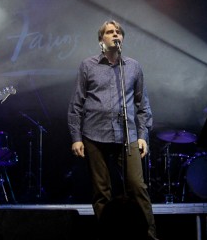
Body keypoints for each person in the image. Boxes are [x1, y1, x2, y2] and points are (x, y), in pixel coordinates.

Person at [68, 20, 159, 240]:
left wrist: (143, 135)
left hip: (127, 134)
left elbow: (143, 104)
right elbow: (76, 104)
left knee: (137, 186)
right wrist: (76, 137)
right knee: (101, 190)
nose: (115, 34)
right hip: (93, 134)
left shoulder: (133, 67)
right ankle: (108, 236)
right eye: (110, 32)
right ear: (101, 40)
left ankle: (149, 236)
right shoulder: (88, 65)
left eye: (118, 32)